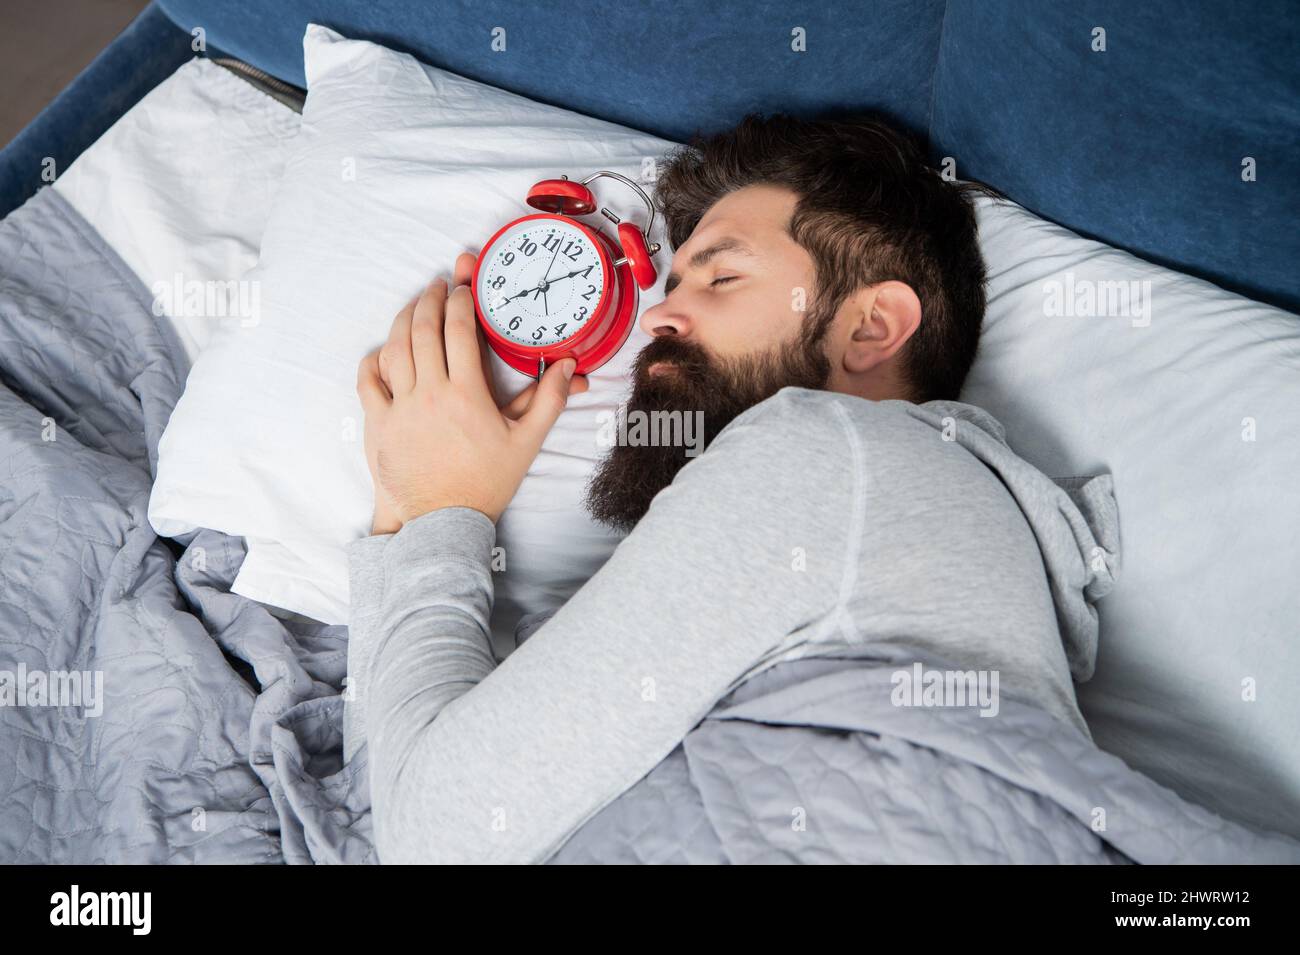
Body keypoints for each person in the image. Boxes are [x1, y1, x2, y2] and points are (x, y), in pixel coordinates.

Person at [345, 114, 1106, 863]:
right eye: (676, 283)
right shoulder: (890, 512)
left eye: (723, 274)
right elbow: (391, 797)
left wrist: (442, 510)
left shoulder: (824, 453)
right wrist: (404, 506)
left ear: (871, 328)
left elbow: (427, 837)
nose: (658, 316)